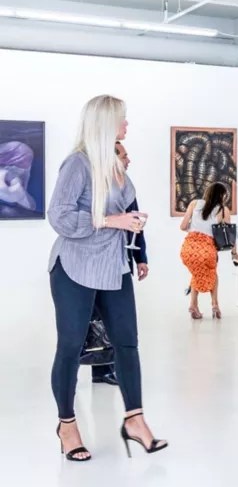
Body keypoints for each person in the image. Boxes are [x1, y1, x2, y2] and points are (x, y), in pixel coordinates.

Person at [48, 94, 166, 462]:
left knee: (127, 344)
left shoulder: (115, 165)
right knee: (71, 346)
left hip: (113, 266)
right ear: (105, 123)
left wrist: (133, 228)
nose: (126, 125)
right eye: (122, 119)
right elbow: (59, 216)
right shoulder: (77, 164)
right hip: (75, 266)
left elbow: (124, 210)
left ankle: (135, 420)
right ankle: (67, 426)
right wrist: (112, 220)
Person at [85, 141, 149, 386]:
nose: (128, 160)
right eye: (124, 156)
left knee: (112, 319)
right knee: (94, 319)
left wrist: (141, 258)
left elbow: (136, 226)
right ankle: (97, 368)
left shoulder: (125, 187)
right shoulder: (92, 186)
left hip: (119, 263)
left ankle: (104, 369)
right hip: (91, 263)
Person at [180, 182, 238, 319]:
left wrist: (195, 230)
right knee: (212, 274)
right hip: (207, 250)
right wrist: (235, 254)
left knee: (197, 272)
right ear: (222, 196)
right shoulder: (223, 210)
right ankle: (214, 304)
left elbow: (183, 227)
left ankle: (193, 305)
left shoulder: (194, 203)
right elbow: (230, 235)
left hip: (188, 250)